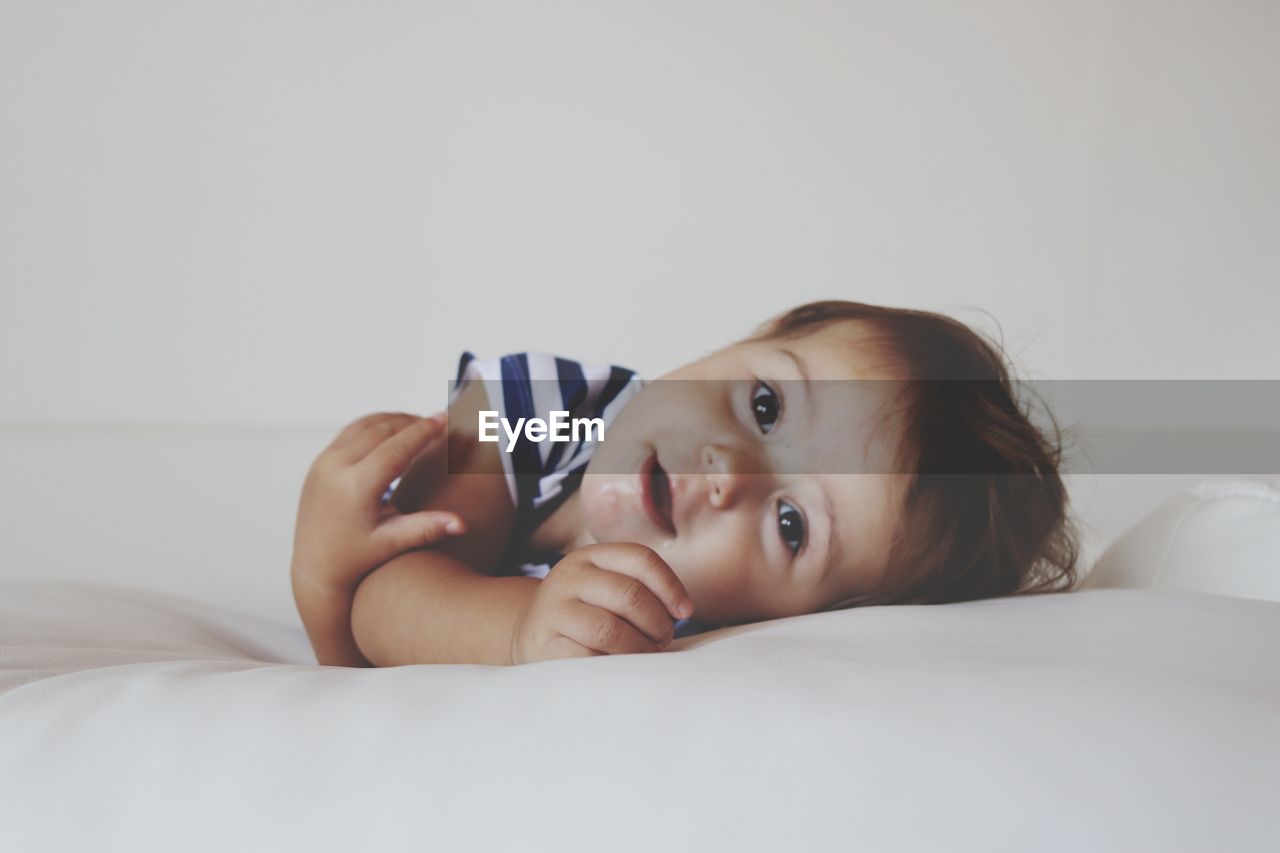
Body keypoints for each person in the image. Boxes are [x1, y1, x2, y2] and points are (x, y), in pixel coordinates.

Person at [290, 300, 1080, 667]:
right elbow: (387, 595)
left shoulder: (692, 636)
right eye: (765, 404)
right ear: (742, 340)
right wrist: (521, 625)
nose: (728, 470)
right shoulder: (534, 409)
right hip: (368, 545)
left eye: (793, 524)